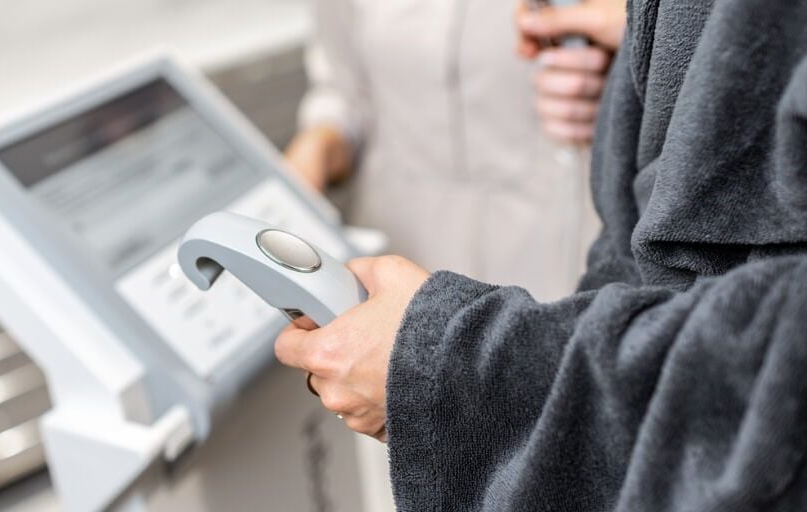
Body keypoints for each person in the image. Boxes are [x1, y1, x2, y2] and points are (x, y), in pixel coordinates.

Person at [276, 0, 807, 510]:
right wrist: (312, 155)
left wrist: (626, 81)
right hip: (390, 268)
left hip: (541, 276)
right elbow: (342, 94)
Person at [285, 0, 622, 302]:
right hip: (395, 247)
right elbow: (345, 95)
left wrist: (622, 89)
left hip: (547, 251)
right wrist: (317, 147)